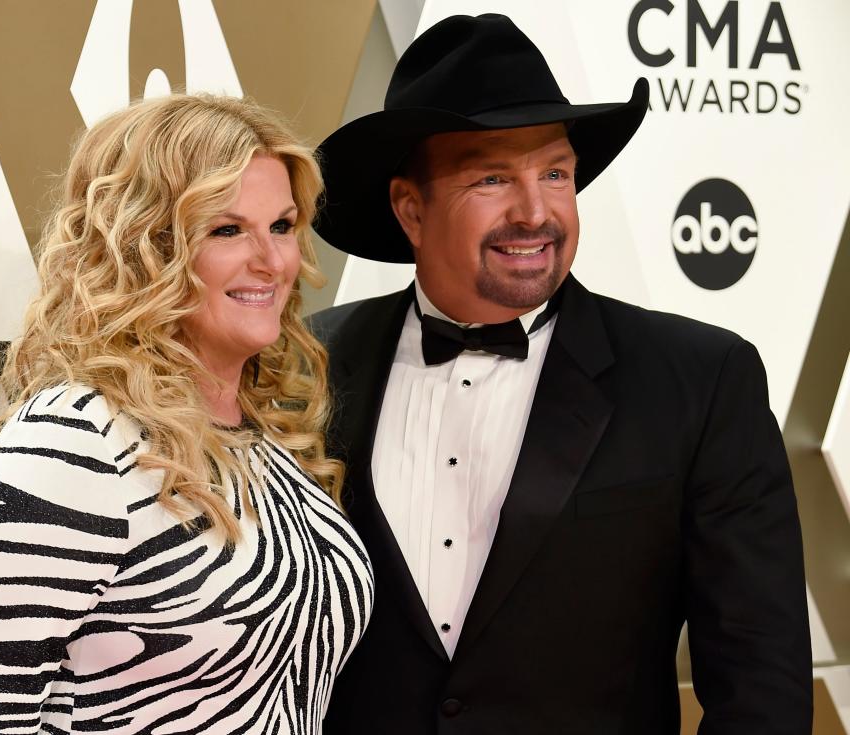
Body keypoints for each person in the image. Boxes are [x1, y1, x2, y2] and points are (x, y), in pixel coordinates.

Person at [309, 13, 811, 735]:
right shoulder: (306, 366)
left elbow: (762, 688)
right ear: (409, 208)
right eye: (491, 177)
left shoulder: (699, 381)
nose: (536, 211)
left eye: (555, 173)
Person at [0, 94, 373, 734]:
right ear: (144, 246)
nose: (274, 261)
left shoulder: (265, 441)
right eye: (226, 229)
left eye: (281, 225)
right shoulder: (70, 446)